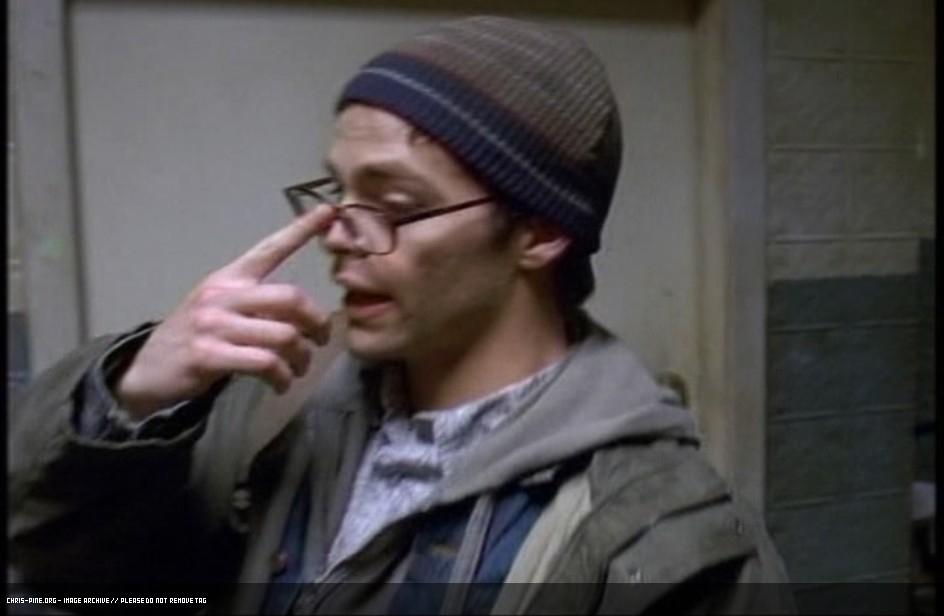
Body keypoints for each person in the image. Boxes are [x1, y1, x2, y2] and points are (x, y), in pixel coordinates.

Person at [8, 15, 796, 615]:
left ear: (540, 232)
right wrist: (133, 398)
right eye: (339, 192)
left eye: (394, 202)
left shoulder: (667, 537)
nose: (338, 235)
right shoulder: (269, 405)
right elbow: (69, 577)